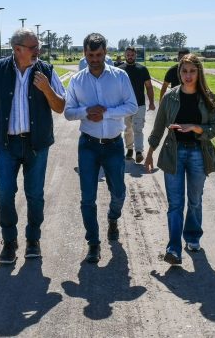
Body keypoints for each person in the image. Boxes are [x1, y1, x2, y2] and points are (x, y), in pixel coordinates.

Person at [0, 28, 66, 264]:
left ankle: (33, 239)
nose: (38, 51)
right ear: (17, 50)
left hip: (37, 144)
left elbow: (60, 106)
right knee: (5, 192)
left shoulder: (46, 70)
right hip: (7, 144)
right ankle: (9, 241)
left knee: (35, 194)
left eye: (38, 46)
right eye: (33, 47)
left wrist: (47, 89)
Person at [65, 33, 137, 263]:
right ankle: (93, 243)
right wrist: (87, 111)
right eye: (89, 55)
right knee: (88, 198)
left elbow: (132, 106)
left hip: (114, 144)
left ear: (105, 52)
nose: (94, 59)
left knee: (119, 192)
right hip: (88, 145)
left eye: (98, 55)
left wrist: (105, 111)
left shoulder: (120, 77)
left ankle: (113, 217)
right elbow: (68, 112)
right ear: (84, 54)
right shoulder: (77, 80)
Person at [144, 54, 215, 265]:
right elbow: (158, 127)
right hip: (173, 154)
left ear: (199, 72)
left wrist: (196, 128)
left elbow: (214, 128)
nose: (187, 75)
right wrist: (150, 152)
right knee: (175, 204)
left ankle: (193, 237)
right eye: (184, 71)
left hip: (198, 153)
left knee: (195, 200)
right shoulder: (170, 97)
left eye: (192, 71)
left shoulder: (208, 97)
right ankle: (174, 248)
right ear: (179, 73)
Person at [118, 46, 155, 164]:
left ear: (135, 55)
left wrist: (152, 102)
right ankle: (129, 149)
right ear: (125, 55)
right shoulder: (119, 70)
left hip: (139, 104)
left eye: (132, 54)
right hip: (124, 105)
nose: (130, 56)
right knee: (127, 129)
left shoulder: (142, 69)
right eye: (128, 54)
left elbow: (149, 86)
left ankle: (138, 151)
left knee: (138, 129)